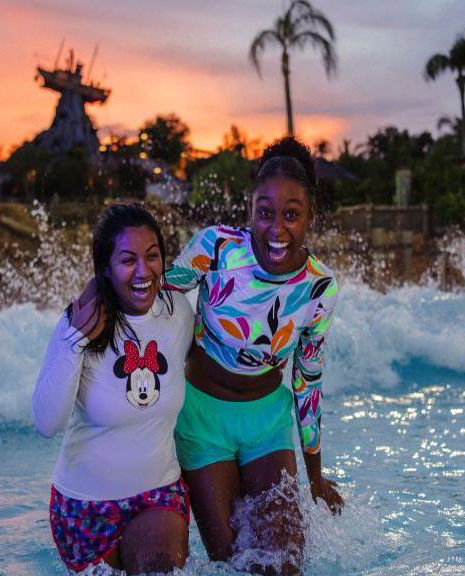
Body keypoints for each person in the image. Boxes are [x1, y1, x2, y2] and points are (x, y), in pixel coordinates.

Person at [165, 137, 343, 574]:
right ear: (250, 210)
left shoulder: (319, 287)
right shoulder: (216, 249)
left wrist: (315, 477)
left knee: (286, 562)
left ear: (310, 216)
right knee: (231, 563)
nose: (276, 229)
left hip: (267, 423)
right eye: (265, 213)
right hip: (203, 420)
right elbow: (155, 297)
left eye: (291, 215)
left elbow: (307, 380)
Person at [32, 203, 194, 574]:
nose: (143, 271)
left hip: (159, 496)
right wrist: (74, 341)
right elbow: (46, 424)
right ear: (106, 267)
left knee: (162, 567)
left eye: (152, 256)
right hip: (84, 508)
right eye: (127, 260)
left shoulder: (178, 312)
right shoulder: (79, 323)